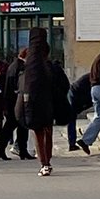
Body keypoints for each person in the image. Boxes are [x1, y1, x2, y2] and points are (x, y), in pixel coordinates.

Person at [19, 28, 69, 176]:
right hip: (49, 104)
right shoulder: (52, 67)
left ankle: (44, 163)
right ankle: (47, 161)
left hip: (33, 104)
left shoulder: (29, 68)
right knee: (48, 132)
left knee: (38, 133)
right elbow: (64, 85)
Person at [0, 46, 35, 160]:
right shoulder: (20, 67)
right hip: (15, 101)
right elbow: (17, 85)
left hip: (13, 101)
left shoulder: (14, 65)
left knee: (21, 127)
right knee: (11, 127)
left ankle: (21, 150)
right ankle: (2, 150)